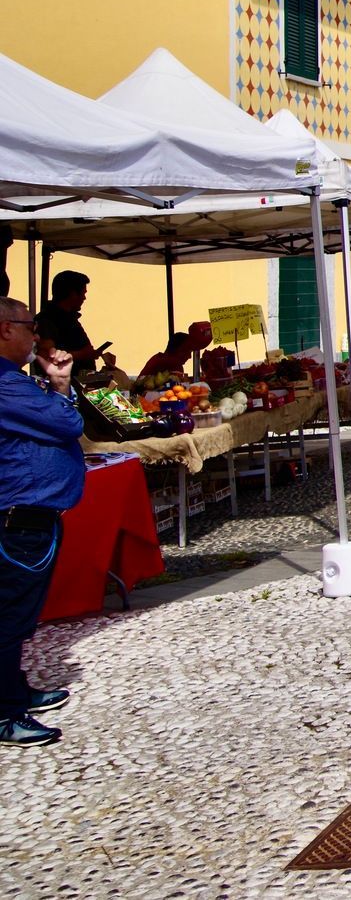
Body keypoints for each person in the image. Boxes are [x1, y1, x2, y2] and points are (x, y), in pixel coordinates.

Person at [0, 297, 85, 747]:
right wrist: (59, 391)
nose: (36, 334)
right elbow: (66, 423)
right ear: (3, 329)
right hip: (18, 519)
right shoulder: (6, 386)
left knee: (19, 615)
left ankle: (13, 691)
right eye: (28, 325)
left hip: (31, 515)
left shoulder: (15, 380)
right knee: (9, 616)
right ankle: (4, 712)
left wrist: (59, 382)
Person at [35, 271, 113, 378]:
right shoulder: (47, 320)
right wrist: (82, 354)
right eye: (83, 293)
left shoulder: (69, 318)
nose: (84, 298)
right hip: (60, 387)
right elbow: (46, 357)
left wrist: (92, 354)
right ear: (72, 294)